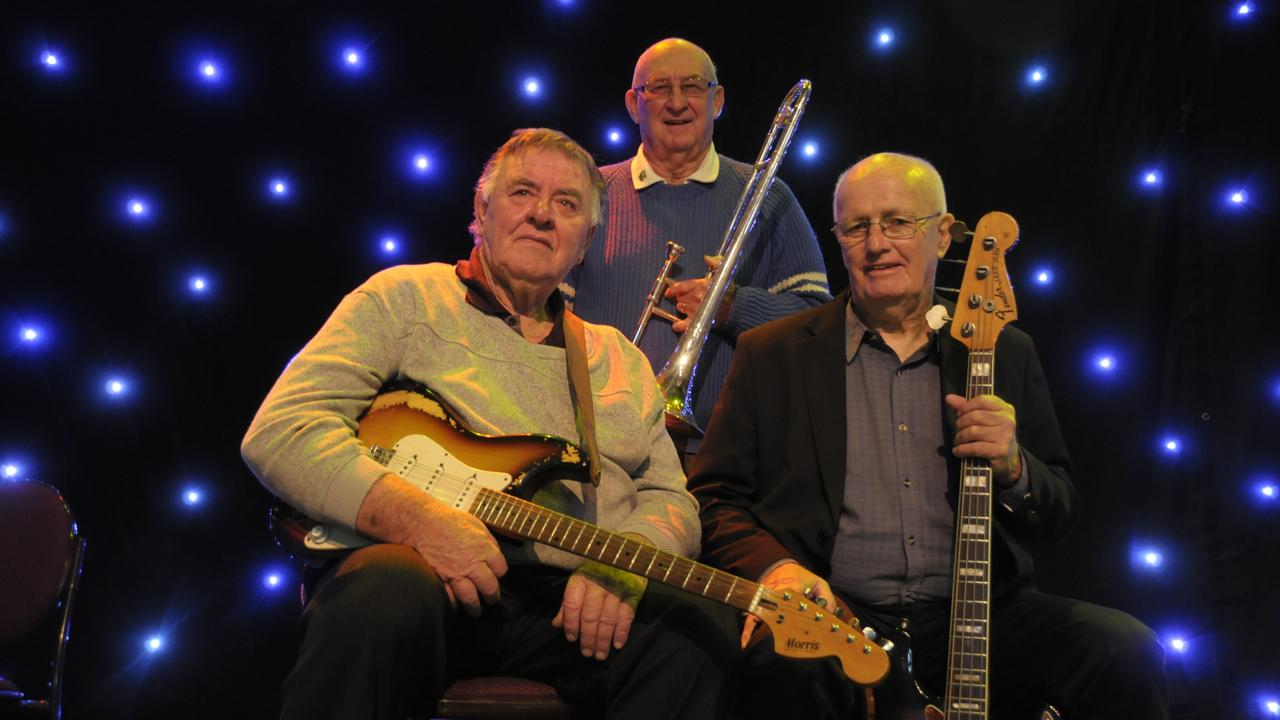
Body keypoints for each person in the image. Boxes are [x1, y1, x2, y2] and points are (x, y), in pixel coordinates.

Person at [241, 128, 739, 720]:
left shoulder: (616, 358)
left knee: (698, 623)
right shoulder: (405, 297)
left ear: (585, 242)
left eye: (567, 204)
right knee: (382, 589)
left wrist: (626, 561)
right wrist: (418, 520)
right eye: (523, 192)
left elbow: (669, 498)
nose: (542, 215)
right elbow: (283, 429)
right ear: (481, 212)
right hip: (421, 577)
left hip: (569, 603)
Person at [687, 152, 1167, 719]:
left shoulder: (1002, 351)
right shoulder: (773, 353)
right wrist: (779, 569)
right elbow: (715, 499)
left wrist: (1014, 467)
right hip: (839, 613)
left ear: (942, 236)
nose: (876, 244)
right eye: (857, 227)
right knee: (778, 666)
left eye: (897, 222)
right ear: (838, 240)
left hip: (982, 615)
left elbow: (1059, 509)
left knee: (1124, 648)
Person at [564, 37, 831, 431]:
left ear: (717, 100)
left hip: (729, 455)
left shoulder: (768, 195)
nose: (676, 102)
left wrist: (732, 307)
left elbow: (819, 325)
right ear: (633, 104)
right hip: (600, 438)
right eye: (657, 88)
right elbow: (545, 316)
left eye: (692, 86)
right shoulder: (589, 192)